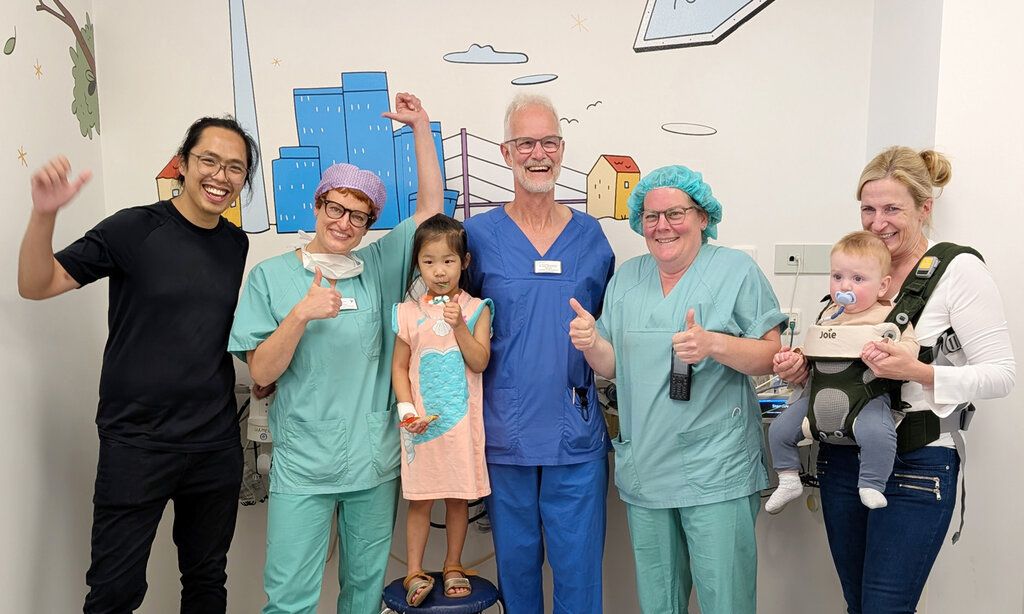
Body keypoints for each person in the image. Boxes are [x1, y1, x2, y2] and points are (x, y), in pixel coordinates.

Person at [17, 117, 259, 612]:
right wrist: (44, 216)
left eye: (236, 168)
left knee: (207, 580)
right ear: (183, 163)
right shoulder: (134, 228)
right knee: (114, 590)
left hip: (214, 443)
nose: (221, 175)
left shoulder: (235, 244)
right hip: (137, 441)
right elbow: (36, 284)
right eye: (209, 160)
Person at [228, 93, 444, 614]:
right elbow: (260, 370)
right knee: (289, 600)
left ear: (370, 225)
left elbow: (431, 212)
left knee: (363, 596)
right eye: (336, 208)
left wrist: (420, 127)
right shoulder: (272, 277)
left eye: (360, 216)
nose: (345, 223)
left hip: (372, 464)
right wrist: (300, 315)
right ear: (318, 205)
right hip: (303, 464)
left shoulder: (379, 265)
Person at [775, 146, 1015, 613]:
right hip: (844, 461)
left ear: (925, 209)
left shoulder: (957, 272)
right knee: (857, 603)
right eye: (868, 208)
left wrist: (919, 371)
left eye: (892, 209)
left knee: (885, 607)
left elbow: (1002, 375)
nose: (877, 221)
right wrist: (800, 371)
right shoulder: (854, 270)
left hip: (917, 461)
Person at [569, 165, 786, 614]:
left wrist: (714, 344)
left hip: (715, 468)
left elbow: (771, 355)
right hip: (647, 465)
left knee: (724, 600)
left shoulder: (735, 270)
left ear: (703, 217)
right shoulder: (628, 279)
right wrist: (592, 344)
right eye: (651, 217)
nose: (662, 226)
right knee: (658, 602)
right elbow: (613, 365)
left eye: (675, 213)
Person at [463, 93, 614, 613]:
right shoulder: (478, 237)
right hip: (505, 433)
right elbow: (450, 321)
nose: (538, 153)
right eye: (525, 142)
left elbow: (610, 331)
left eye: (548, 141)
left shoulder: (590, 236)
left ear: (562, 149)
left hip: (575, 434)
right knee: (517, 578)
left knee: (579, 577)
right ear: (506, 153)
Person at [766, 231, 919, 514]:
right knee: (779, 430)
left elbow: (911, 349)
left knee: (878, 434)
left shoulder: (888, 318)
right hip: (816, 397)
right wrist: (794, 358)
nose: (844, 285)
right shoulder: (827, 315)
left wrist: (891, 351)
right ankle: (788, 478)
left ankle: (872, 483)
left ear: (883, 285)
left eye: (858, 279)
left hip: (865, 398)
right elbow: (810, 350)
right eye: (837, 277)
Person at [392, 214, 493, 605]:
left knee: (456, 499)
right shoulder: (406, 311)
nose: (439, 270)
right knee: (420, 500)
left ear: (464, 262)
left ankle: (454, 564)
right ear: (417, 263)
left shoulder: (477, 309)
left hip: (460, 430)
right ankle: (414, 571)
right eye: (429, 261)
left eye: (448, 261)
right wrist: (406, 412)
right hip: (419, 427)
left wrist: (460, 327)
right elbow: (399, 367)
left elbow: (480, 361)